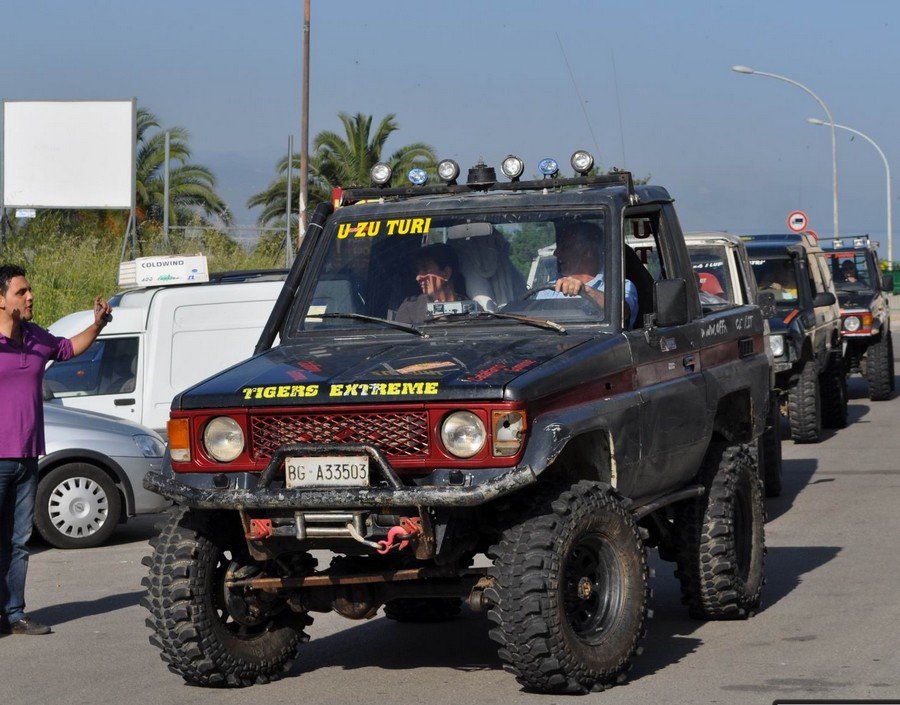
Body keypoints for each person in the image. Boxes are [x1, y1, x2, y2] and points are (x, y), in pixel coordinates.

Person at [0, 264, 112, 636]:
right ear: (1, 300)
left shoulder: (34, 337)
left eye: (29, 290)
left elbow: (68, 348)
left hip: (28, 457)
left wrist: (97, 324)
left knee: (18, 543)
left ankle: (14, 615)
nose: (30, 296)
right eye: (21, 292)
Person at [536, 222, 639, 328]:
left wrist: (585, 290)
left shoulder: (620, 286)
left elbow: (623, 312)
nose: (556, 253)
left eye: (565, 247)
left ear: (588, 252)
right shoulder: (548, 289)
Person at [394, 244, 468, 324]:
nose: (418, 277)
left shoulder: (471, 309)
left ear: (446, 273)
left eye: (425, 269)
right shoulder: (410, 309)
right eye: (418, 270)